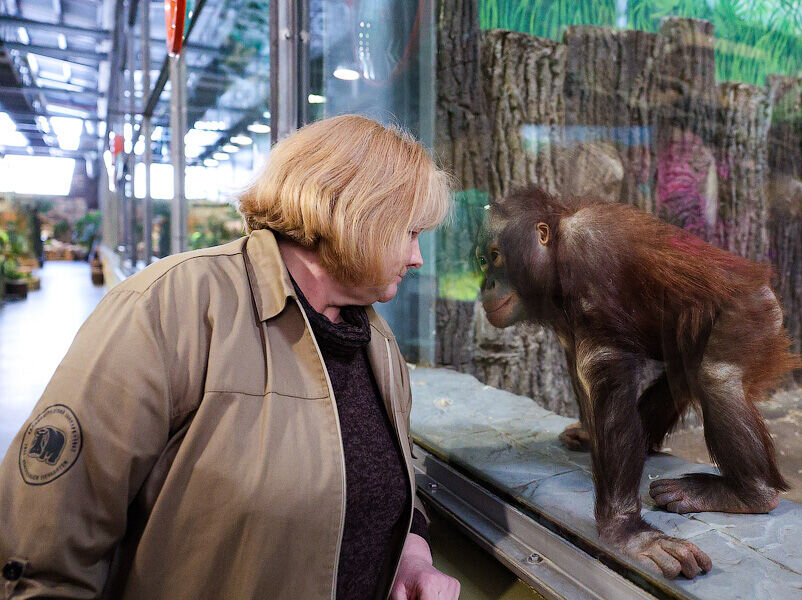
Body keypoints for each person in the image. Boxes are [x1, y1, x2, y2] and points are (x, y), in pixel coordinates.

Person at [0, 115, 460, 600]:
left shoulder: (375, 340)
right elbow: (44, 546)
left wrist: (412, 557)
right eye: (410, 232)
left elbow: (382, 481)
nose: (417, 259)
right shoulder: (173, 306)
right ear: (356, 215)